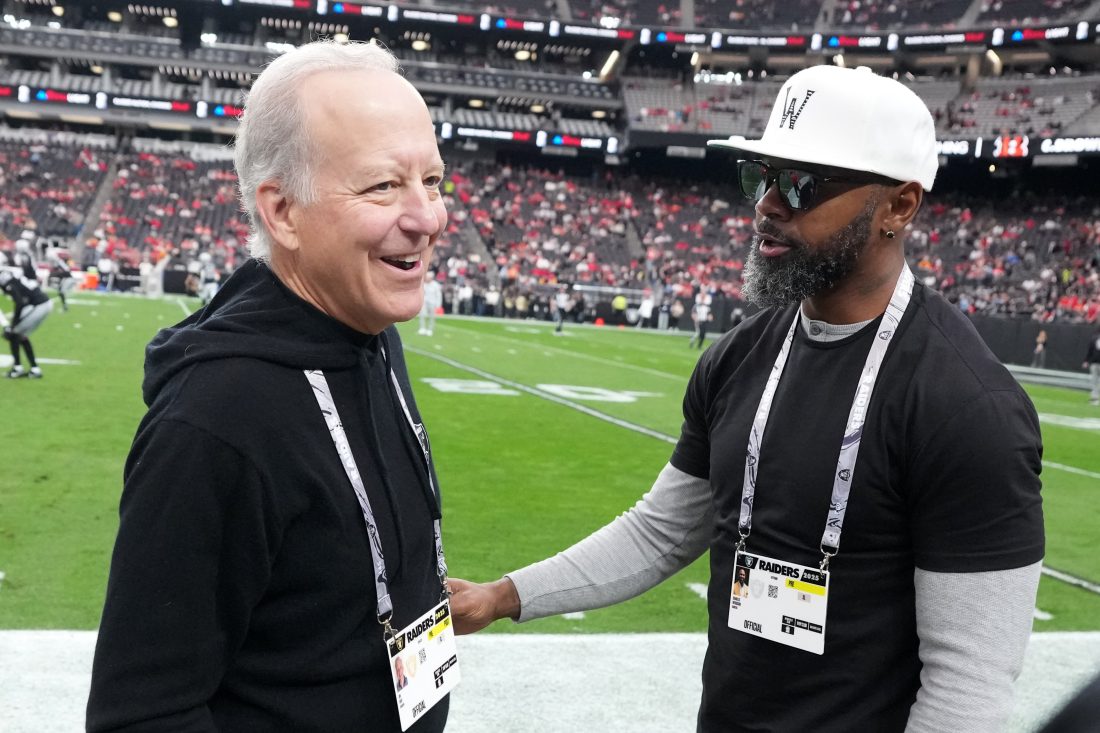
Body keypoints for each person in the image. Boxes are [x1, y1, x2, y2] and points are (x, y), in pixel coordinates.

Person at [449, 65, 1044, 732]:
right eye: (759, 176)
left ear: (899, 206)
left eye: (801, 182)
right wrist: (502, 596)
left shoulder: (967, 406)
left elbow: (969, 689)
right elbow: (664, 529)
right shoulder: (739, 354)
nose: (767, 203)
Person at [88, 40, 454, 733]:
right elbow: (141, 714)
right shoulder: (216, 421)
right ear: (282, 212)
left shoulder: (371, 334)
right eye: (383, 185)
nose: (428, 217)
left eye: (432, 181)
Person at [1, 268, 53, 379]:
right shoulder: (10, 275)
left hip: (38, 304)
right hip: (40, 303)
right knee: (20, 335)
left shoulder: (6, 281)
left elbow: (19, 301)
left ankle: (18, 368)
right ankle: (35, 370)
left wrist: (13, 324)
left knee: (14, 333)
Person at [419, 270, 443, 335]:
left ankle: (430, 329)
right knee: (422, 315)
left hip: (433, 303)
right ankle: (422, 328)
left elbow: (438, 295)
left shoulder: (435, 285)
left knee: (432, 316)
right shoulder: (423, 284)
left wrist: (438, 304)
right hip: (424, 302)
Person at [1085, 327, 1100, 405]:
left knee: (1095, 381)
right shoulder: (1094, 338)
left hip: (1094, 362)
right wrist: (1086, 360)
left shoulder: (1094, 338)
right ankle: (1095, 398)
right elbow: (1090, 350)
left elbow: (1090, 350)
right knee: (1094, 381)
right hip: (1094, 362)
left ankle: (1095, 398)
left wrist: (1086, 360)